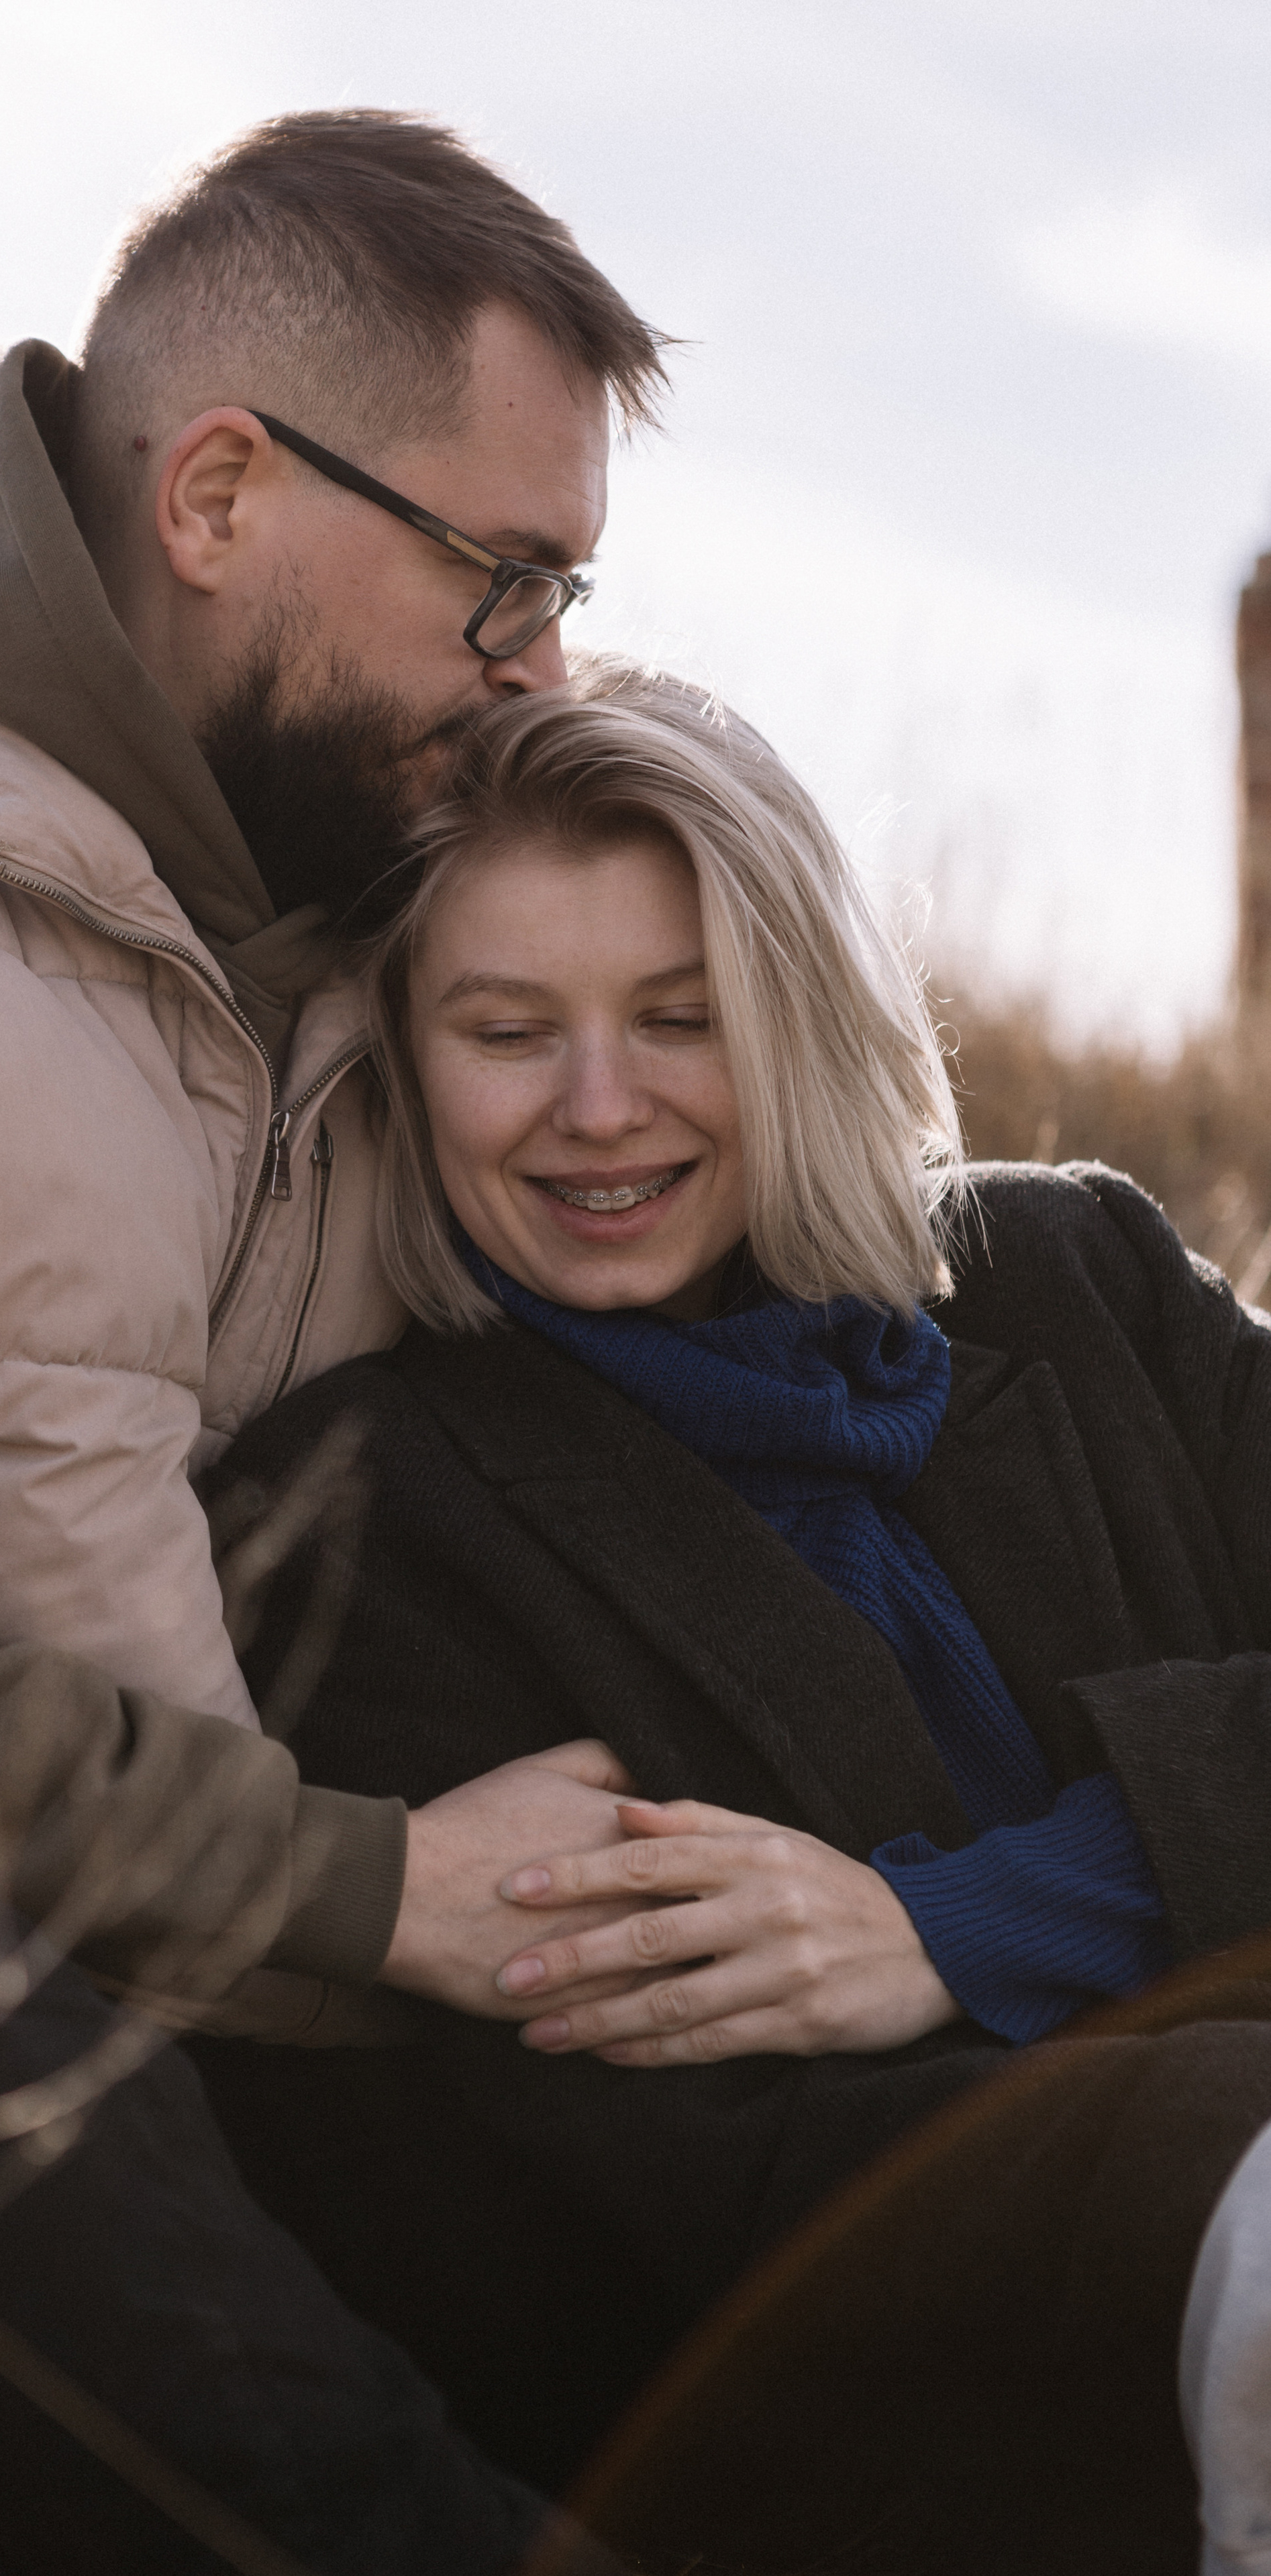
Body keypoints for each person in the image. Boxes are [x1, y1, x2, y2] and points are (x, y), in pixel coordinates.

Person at [0, 113, 697, 2576]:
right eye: (504, 585)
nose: (539, 671)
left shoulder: (378, 953)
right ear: (216, 497)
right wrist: (363, 1889)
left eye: (569, 597)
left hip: (198, 1997)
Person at [197, 660, 1271, 2575]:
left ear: (799, 1013)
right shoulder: (357, 1519)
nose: (601, 1111)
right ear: (402, 1059)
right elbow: (670, 2201)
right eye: (508, 1031)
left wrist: (973, 1920)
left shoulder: (1080, 1276)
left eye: (682, 1017)